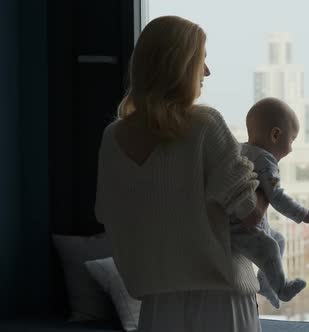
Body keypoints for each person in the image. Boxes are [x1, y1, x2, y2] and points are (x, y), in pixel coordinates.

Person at [95, 16, 268, 332]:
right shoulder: (205, 125)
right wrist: (266, 169)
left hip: (157, 309)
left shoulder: (112, 137)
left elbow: (108, 215)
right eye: (201, 60)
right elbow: (251, 215)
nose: (207, 71)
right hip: (222, 304)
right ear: (180, 64)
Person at [230, 97, 309, 309]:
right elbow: (277, 197)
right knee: (271, 246)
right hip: (241, 229)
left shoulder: (241, 149)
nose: (291, 149)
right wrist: (304, 214)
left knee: (279, 239)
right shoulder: (265, 160)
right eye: (291, 140)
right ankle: (282, 288)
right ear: (275, 135)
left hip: (243, 222)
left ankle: (265, 283)